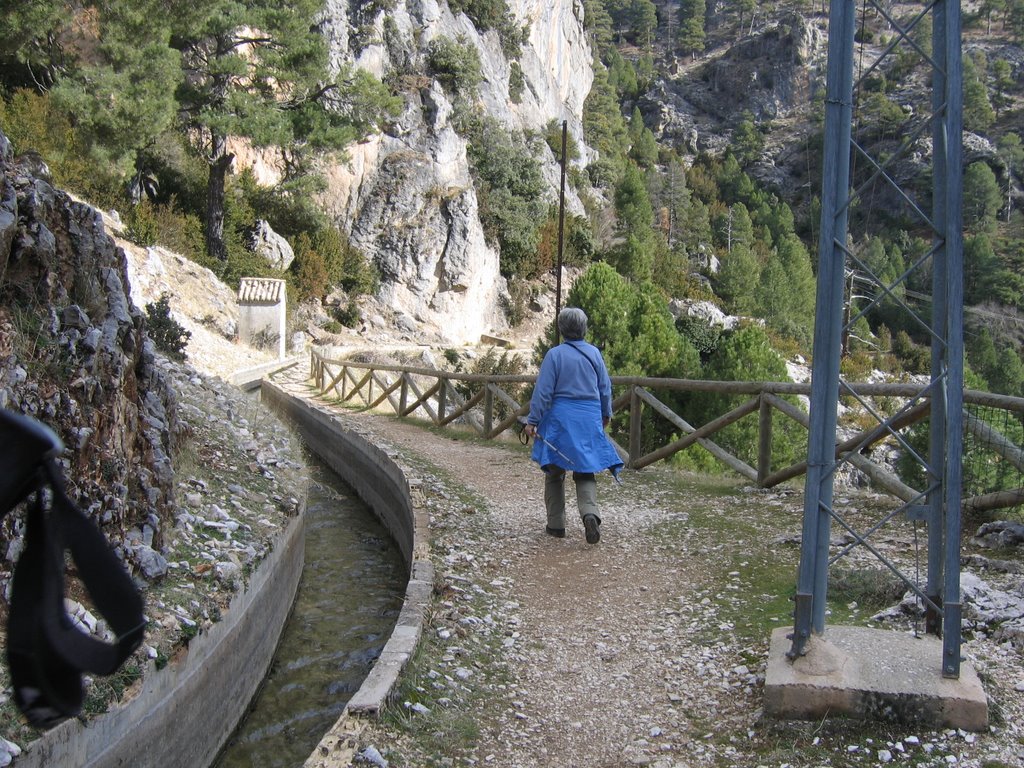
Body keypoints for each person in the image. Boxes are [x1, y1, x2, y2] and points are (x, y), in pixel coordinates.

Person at [524, 307, 622, 544]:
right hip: (588, 418)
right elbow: (605, 388)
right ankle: (590, 514)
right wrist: (605, 413)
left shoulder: (555, 355)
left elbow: (543, 392)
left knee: (555, 470)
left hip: (561, 420)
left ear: (561, 329)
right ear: (584, 328)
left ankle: (556, 525)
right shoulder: (595, 354)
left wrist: (533, 420)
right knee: (585, 469)